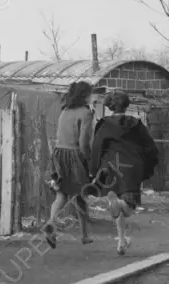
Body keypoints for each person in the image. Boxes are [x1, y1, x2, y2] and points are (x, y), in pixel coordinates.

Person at [89, 90, 159, 255]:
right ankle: (121, 237)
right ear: (127, 105)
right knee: (128, 206)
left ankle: (121, 240)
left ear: (110, 106)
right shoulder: (137, 124)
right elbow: (151, 148)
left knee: (117, 203)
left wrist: (93, 171)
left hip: (111, 168)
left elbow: (96, 148)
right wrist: (148, 168)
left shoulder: (104, 124)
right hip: (132, 166)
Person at [42, 81, 95, 248]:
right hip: (75, 155)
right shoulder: (86, 113)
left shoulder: (65, 110)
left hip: (59, 154)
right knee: (81, 195)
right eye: (91, 93)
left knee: (62, 194)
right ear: (85, 95)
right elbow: (83, 142)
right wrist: (89, 159)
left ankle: (51, 223)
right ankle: (85, 235)